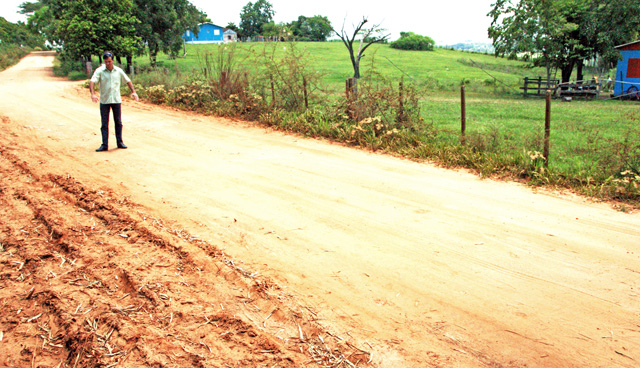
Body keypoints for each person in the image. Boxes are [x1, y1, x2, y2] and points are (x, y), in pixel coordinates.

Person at [90, 51, 139, 152]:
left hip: (116, 100)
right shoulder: (100, 71)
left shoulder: (118, 71)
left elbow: (128, 80)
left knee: (118, 122)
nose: (107, 64)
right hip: (104, 100)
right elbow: (92, 81)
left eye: (109, 61)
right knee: (104, 123)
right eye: (106, 62)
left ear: (112, 60)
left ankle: (120, 142)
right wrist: (93, 94)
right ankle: (104, 144)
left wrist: (133, 91)